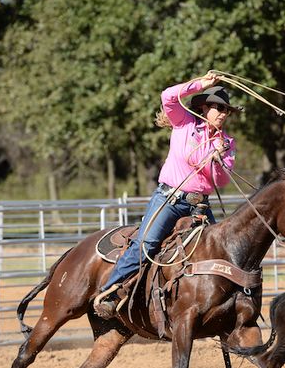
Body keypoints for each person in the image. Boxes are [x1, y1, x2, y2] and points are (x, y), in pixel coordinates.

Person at [93, 71, 242, 318]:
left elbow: (221, 180)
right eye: (217, 107)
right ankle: (110, 291)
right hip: (170, 199)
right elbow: (168, 97)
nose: (222, 113)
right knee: (147, 243)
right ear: (203, 108)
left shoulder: (226, 142)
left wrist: (217, 159)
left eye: (226, 109)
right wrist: (200, 84)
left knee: (222, 252)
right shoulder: (184, 124)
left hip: (200, 206)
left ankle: (224, 308)